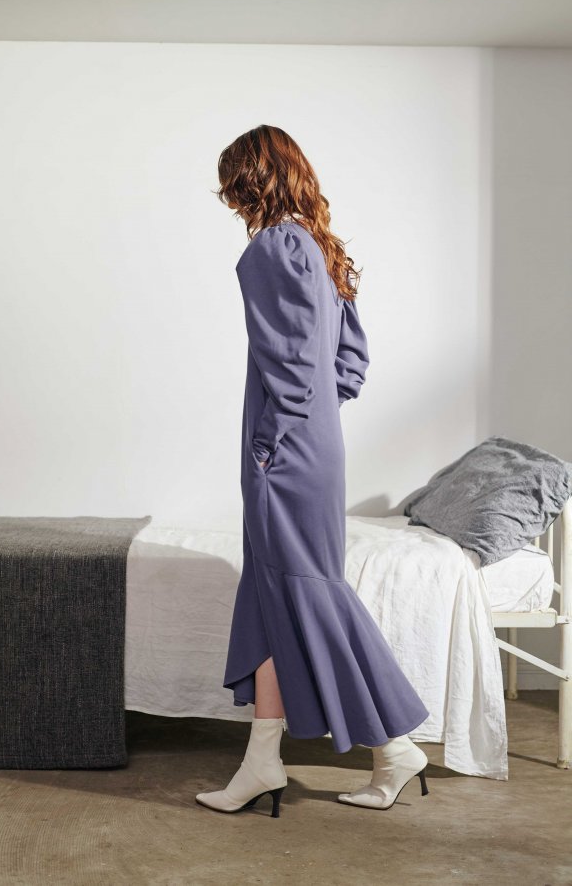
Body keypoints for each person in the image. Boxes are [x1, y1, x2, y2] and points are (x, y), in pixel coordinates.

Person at [195, 125, 430, 817]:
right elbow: (348, 364)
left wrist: (270, 445)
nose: (230, 201)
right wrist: (316, 417)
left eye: (233, 186)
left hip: (286, 454)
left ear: (250, 182)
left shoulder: (270, 248)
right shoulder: (324, 249)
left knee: (309, 594)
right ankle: (262, 761)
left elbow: (293, 368)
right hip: (318, 448)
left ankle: (396, 746)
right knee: (271, 594)